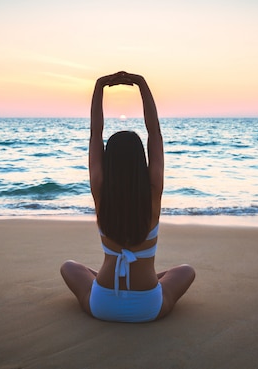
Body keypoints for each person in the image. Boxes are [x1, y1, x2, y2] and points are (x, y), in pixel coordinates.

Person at [60, 71, 196, 322]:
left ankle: (108, 279)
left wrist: (100, 86)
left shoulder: (100, 191)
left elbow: (95, 134)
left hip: (101, 302)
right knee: (186, 271)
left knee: (69, 266)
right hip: (148, 307)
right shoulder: (153, 193)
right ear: (140, 162)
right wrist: (142, 83)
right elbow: (155, 134)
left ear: (108, 162)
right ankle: (148, 276)